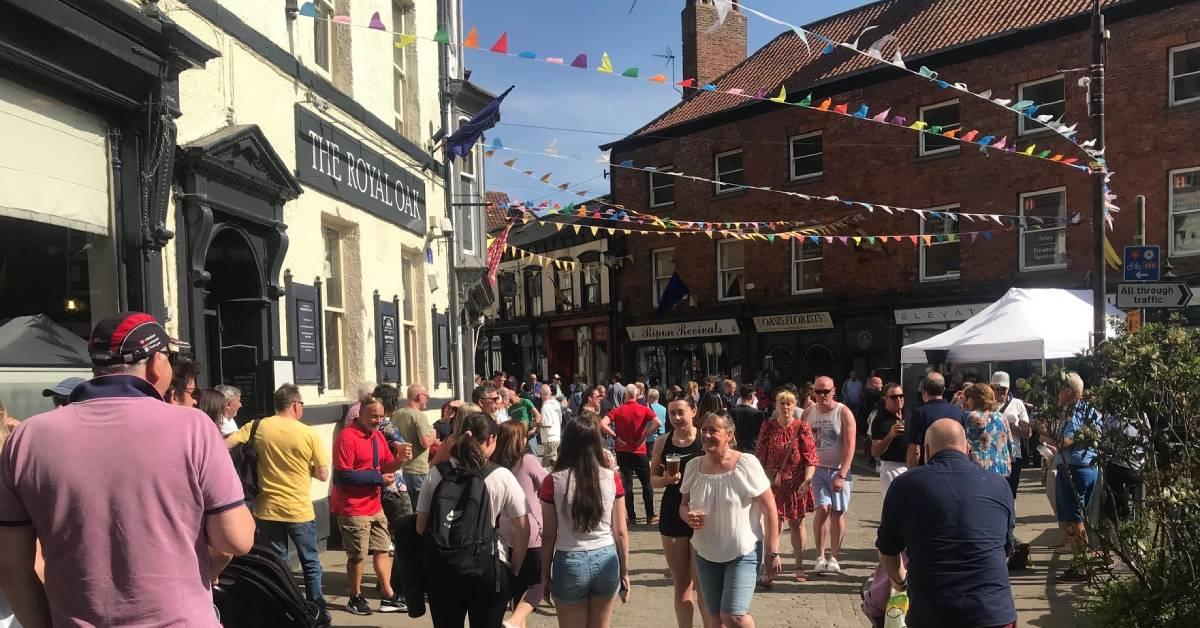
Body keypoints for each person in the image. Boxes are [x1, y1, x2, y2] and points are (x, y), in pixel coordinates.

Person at [0, 312, 254, 627]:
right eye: (169, 358)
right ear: (155, 364)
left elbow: (12, 568)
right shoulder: (194, 428)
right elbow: (237, 539)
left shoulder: (28, 437)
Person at [877, 419, 1017, 628]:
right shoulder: (999, 485)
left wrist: (900, 583)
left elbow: (888, 550)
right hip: (993, 611)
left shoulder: (905, 485)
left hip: (933, 611)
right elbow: (1005, 549)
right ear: (968, 448)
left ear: (925, 450)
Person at [226, 384, 330, 619]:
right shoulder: (308, 433)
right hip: (298, 510)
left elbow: (225, 445)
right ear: (295, 405)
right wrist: (307, 468)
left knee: (279, 564)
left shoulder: (257, 426)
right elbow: (323, 474)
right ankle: (318, 610)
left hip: (267, 508)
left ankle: (285, 608)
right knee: (311, 562)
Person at [417, 413, 531, 627]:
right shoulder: (501, 476)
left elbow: (421, 526)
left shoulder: (436, 474)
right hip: (488, 568)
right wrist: (514, 569)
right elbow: (523, 528)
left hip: (443, 569)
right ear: (490, 440)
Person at [681, 412, 781, 628]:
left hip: (743, 552)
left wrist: (773, 551)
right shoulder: (693, 466)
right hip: (705, 552)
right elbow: (682, 505)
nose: (706, 435)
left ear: (729, 435)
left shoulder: (746, 463)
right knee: (714, 618)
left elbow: (770, 510)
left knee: (733, 615)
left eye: (713, 430)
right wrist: (688, 517)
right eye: (704, 430)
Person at [539, 413, 630, 627]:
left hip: (569, 558)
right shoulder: (612, 478)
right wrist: (625, 571)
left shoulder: (552, 481)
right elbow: (620, 531)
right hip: (606, 558)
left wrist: (544, 574)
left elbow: (549, 535)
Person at [331, 396, 407, 615]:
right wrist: (378, 479)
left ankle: (388, 595)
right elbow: (342, 476)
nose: (378, 420)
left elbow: (386, 465)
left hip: (374, 505)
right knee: (357, 556)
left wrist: (400, 459)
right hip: (352, 507)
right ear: (360, 414)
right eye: (374, 416)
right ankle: (355, 597)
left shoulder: (377, 437)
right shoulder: (347, 437)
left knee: (383, 548)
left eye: (381, 416)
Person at [649, 396, 712, 628]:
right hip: (672, 511)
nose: (675, 417)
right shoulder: (663, 442)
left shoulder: (705, 439)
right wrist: (665, 479)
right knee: (682, 582)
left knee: (703, 583)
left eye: (680, 412)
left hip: (702, 512)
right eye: (671, 413)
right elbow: (652, 480)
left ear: (693, 411)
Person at [756, 390, 818, 583]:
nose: (785, 407)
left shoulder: (802, 427)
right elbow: (760, 455)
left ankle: (799, 566)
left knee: (797, 524)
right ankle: (769, 568)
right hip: (773, 485)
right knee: (773, 525)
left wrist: (807, 481)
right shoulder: (768, 426)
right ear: (776, 406)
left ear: (795, 406)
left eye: (789, 403)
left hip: (796, 485)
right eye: (782, 403)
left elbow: (811, 458)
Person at [491, 421, 548, 628]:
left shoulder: (495, 463)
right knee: (538, 583)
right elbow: (547, 485)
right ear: (519, 439)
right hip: (531, 531)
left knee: (517, 589)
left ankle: (515, 622)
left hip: (506, 532)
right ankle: (515, 621)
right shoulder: (527, 460)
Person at [804, 376, 856, 575]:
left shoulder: (843, 412)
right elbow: (803, 442)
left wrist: (842, 474)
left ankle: (834, 557)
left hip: (838, 470)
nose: (822, 395)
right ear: (813, 392)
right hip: (817, 469)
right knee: (822, 508)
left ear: (834, 390)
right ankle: (819, 556)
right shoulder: (808, 413)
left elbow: (850, 445)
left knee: (837, 512)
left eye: (826, 391)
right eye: (818, 391)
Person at [1055, 372, 1102, 584]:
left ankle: (1080, 565)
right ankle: (1081, 562)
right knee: (1078, 516)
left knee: (1075, 519)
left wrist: (1048, 437)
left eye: (1059, 389)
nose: (1057, 394)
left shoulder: (1074, 412)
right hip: (1088, 466)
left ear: (1068, 391)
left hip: (1074, 468)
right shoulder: (1091, 410)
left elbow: (1067, 440)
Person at [608, 384, 661, 525]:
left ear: (625, 394)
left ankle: (631, 516)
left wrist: (615, 437)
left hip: (623, 451)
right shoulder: (644, 409)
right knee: (646, 484)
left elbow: (603, 423)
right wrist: (645, 435)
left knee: (627, 485)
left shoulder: (617, 410)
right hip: (640, 451)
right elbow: (657, 423)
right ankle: (650, 515)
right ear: (637, 395)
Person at [906, 372, 966, 468]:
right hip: (955, 468)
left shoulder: (920, 413)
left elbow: (915, 451)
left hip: (929, 470)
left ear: (924, 391)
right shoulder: (959, 413)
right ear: (943, 390)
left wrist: (912, 473)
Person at [394, 383, 436, 508]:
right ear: (419, 396)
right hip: (418, 469)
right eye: (427, 396)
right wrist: (433, 434)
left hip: (401, 468)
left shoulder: (397, 414)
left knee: (408, 507)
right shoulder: (419, 416)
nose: (428, 399)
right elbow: (425, 442)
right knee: (421, 508)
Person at [991, 372, 1031, 499]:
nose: (1001, 392)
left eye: (1004, 389)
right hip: (991, 456)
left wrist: (1010, 426)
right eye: (997, 388)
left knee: (1011, 494)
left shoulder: (1017, 403)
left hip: (1013, 455)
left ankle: (1011, 518)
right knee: (994, 494)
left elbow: (1027, 432)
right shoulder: (986, 404)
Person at [963, 383, 1013, 478]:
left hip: (981, 469)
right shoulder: (1001, 417)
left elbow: (967, 442)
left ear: (974, 399)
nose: (966, 402)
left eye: (967, 398)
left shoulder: (973, 416)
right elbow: (1011, 445)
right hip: (1002, 468)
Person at [870, 383, 910, 498]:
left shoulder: (910, 414)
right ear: (885, 399)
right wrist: (890, 435)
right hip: (892, 467)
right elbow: (875, 452)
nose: (898, 399)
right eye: (893, 397)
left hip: (912, 466)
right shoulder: (880, 420)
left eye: (901, 396)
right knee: (895, 504)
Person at [431, 402, 482, 466]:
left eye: (453, 410)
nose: (482, 418)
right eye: (479, 416)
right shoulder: (451, 441)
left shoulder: (451, 437)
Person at [729, 384, 765, 453]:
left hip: (737, 449)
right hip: (753, 449)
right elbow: (762, 434)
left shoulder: (733, 412)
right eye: (755, 395)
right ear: (752, 396)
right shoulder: (758, 414)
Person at [539, 385, 563, 467]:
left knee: (547, 466)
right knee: (552, 462)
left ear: (543, 395)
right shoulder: (556, 404)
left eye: (541, 394)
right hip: (556, 436)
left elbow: (546, 423)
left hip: (549, 438)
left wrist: (537, 423)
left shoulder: (545, 407)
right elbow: (560, 420)